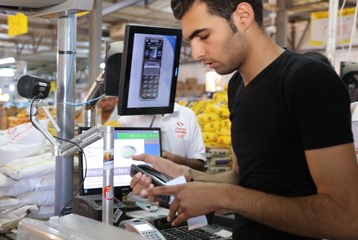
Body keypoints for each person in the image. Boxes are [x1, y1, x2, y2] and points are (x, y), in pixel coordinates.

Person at [130, 0, 358, 239]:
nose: (196, 53)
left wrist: (225, 197)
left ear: (243, 15)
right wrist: (186, 174)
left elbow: (345, 218)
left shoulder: (308, 80)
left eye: (204, 36)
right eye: (192, 41)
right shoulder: (237, 86)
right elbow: (245, 176)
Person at [118, 102, 206, 171]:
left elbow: (199, 167)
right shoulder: (126, 119)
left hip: (179, 191)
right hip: (140, 192)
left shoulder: (187, 115)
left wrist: (175, 160)